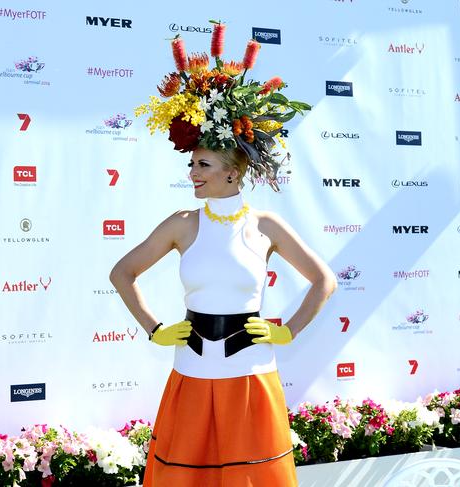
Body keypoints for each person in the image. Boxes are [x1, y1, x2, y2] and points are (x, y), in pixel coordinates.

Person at [111, 22, 337, 486]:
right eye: (191, 163)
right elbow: (122, 273)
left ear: (234, 173)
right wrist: (154, 328)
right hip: (191, 370)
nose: (192, 173)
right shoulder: (181, 224)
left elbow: (324, 281)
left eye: (203, 164)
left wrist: (288, 331)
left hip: (252, 372)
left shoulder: (266, 226)